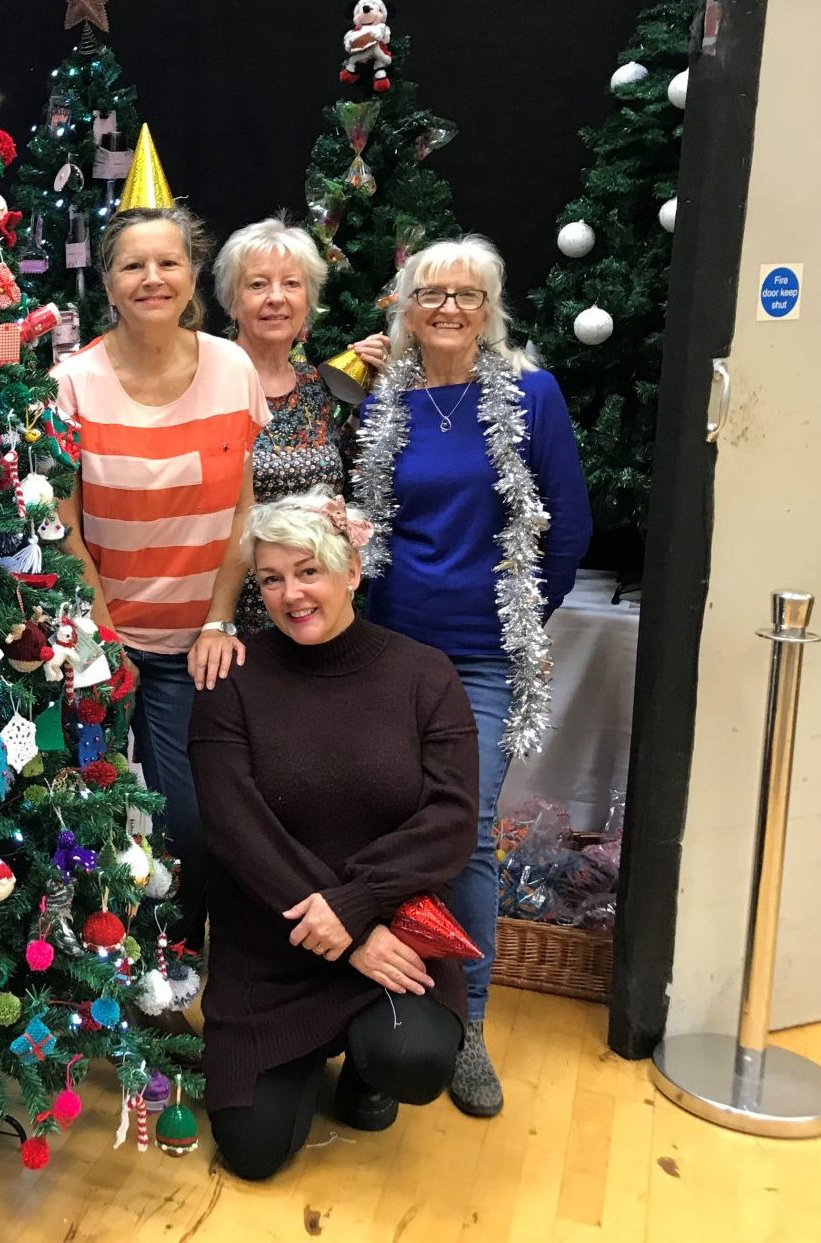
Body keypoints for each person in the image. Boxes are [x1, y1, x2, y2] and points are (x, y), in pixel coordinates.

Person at [351, 236, 592, 1117]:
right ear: (406, 306)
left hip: (484, 656)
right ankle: (387, 1020)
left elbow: (566, 523)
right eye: (431, 294)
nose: (448, 308)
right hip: (387, 650)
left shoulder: (531, 395)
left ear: (490, 307)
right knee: (385, 824)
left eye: (466, 294)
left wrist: (523, 612)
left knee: (464, 834)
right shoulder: (384, 399)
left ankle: (468, 1024)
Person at [189, 489, 477, 1181]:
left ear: (352, 569)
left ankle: (366, 1071)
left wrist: (355, 908)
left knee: (412, 1059)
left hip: (391, 929)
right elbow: (235, 827)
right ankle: (304, 1053)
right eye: (272, 578)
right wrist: (342, 928)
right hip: (273, 940)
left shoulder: (423, 675)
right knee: (252, 1152)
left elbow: (451, 819)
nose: (292, 594)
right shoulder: (232, 678)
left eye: (309, 570)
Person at [52, 203, 266, 947]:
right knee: (85, 812)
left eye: (168, 262)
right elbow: (64, 525)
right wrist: (104, 638)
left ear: (193, 274)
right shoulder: (71, 382)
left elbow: (244, 515)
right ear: (107, 283)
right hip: (98, 643)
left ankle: (169, 965)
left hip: (190, 645)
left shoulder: (233, 368)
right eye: (132, 265)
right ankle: (82, 965)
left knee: (191, 820)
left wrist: (217, 618)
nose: (152, 278)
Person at [211, 216, 372, 635]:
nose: (276, 299)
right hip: (228, 622)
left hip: (315, 615)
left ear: (308, 301)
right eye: (258, 285)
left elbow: (354, 481)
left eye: (291, 284)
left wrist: (379, 387)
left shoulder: (318, 386)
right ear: (232, 301)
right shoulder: (206, 381)